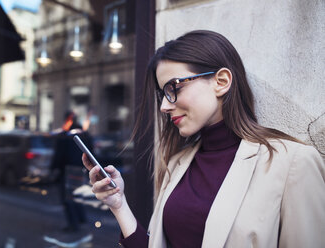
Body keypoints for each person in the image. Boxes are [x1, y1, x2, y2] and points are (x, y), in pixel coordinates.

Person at [81, 30, 325, 247]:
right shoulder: (179, 163)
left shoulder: (293, 164)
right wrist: (119, 204)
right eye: (162, 94)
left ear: (221, 82)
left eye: (173, 88)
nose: (165, 106)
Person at [52, 110, 92, 232]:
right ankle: (80, 219)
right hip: (81, 168)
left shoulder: (65, 134)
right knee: (77, 195)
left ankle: (74, 223)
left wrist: (54, 168)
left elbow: (60, 153)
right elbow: (91, 150)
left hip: (68, 169)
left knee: (69, 198)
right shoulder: (84, 133)